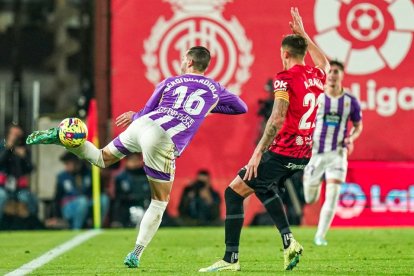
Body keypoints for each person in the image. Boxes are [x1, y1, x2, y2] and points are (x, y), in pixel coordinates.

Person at [26, 46, 247, 268]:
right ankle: (136, 253)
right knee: (159, 203)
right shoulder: (215, 89)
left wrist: (136, 115)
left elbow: (147, 110)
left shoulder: (169, 82)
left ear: (189, 62)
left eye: (183, 59)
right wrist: (207, 109)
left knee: (102, 158)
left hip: (143, 124)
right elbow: (241, 107)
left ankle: (66, 139)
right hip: (163, 138)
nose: (181, 62)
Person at [200, 7, 329, 272]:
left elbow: (277, 118)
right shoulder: (316, 77)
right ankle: (283, 243)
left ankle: (235, 258)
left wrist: (258, 151)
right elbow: (324, 64)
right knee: (260, 186)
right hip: (303, 154)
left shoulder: (284, 79)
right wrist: (304, 34)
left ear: (284, 53)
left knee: (234, 191)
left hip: (283, 150)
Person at [303, 60, 363, 246]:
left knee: (333, 194)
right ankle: (314, 181)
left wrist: (350, 138)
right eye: (330, 71)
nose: (332, 74)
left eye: (336, 71)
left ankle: (320, 236)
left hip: (337, 154)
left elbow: (358, 126)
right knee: (310, 198)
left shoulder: (350, 101)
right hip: (316, 153)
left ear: (342, 75)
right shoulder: (318, 97)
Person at [55, 152, 109, 229]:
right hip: (69, 207)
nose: (66, 167)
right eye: (65, 164)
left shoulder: (89, 173)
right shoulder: (62, 177)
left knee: (103, 199)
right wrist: (55, 216)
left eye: (68, 164)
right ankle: (76, 229)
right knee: (82, 201)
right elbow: (57, 198)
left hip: (88, 203)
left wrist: (99, 173)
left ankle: (97, 227)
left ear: (77, 163)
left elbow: (100, 189)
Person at [0, 124, 38, 224]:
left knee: (30, 198)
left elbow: (31, 168)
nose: (16, 137)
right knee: (1, 196)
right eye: (14, 134)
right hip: (3, 186)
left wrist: (24, 157)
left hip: (19, 188)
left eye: (18, 135)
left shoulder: (23, 149)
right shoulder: (2, 146)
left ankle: (30, 226)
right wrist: (8, 148)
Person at [111, 153, 151, 227]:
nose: (134, 162)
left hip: (145, 205)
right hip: (127, 206)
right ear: (126, 161)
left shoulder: (148, 176)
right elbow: (118, 198)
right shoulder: (121, 177)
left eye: (136, 159)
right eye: (132, 160)